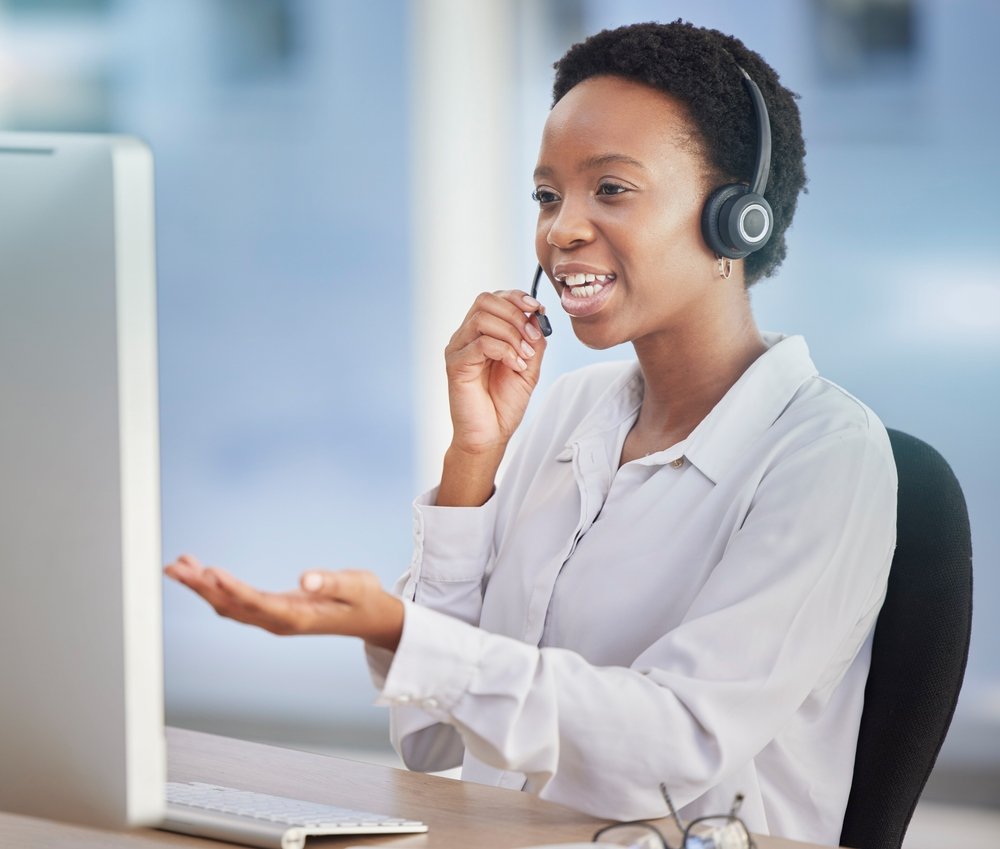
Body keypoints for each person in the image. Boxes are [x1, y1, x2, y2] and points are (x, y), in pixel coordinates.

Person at [166, 20, 897, 846]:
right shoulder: (568, 411)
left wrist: (396, 629)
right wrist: (472, 460)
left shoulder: (824, 456)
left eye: (610, 190)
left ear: (737, 218)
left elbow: (674, 745)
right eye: (548, 196)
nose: (560, 231)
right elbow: (429, 736)